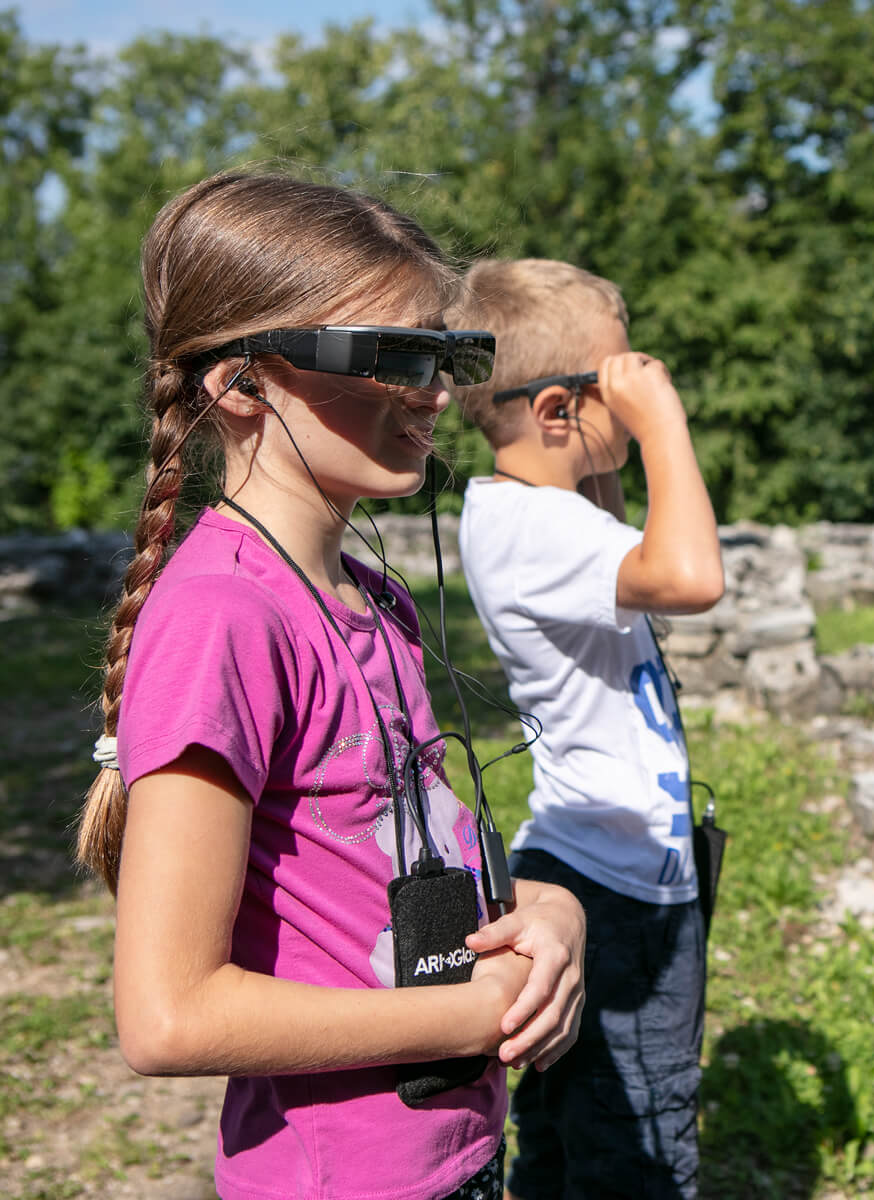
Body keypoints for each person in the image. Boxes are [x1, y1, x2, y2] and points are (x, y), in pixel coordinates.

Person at [73, 172, 587, 1200]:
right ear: (242, 382)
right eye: (392, 354)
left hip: (454, 1153)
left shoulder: (371, 601)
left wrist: (549, 908)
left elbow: (397, 862)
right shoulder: (226, 617)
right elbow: (167, 1017)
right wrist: (467, 1016)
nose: (435, 389)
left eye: (447, 352)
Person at [447, 258, 725, 1199]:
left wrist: (613, 428)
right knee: (638, 1140)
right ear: (560, 409)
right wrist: (664, 427)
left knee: (568, 1125)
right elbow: (691, 577)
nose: (638, 389)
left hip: (592, 866)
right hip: (612, 885)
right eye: (619, 379)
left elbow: (632, 545)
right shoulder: (533, 530)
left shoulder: (539, 515)